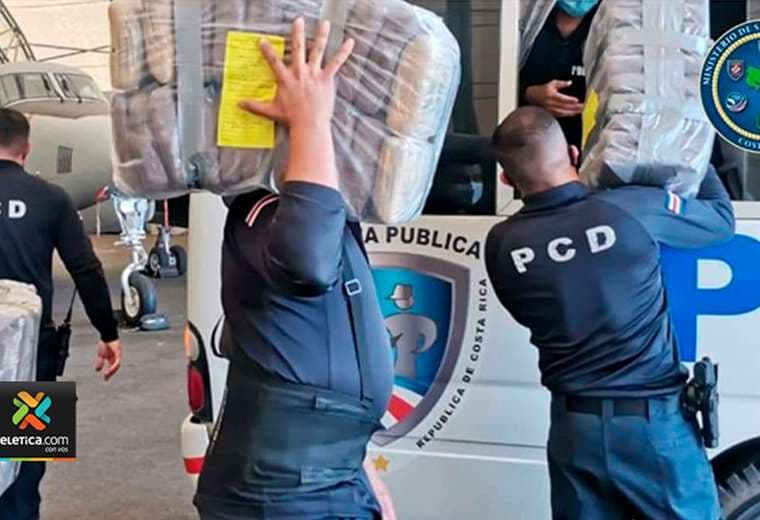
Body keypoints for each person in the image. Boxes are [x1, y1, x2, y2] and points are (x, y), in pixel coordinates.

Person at [485, 107, 734, 519]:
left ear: (507, 179)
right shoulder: (633, 209)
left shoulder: (502, 244)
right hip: (651, 426)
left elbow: (524, 312)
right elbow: (721, 220)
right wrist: (691, 146)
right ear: (573, 152)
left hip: (573, 431)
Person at [193, 19, 396, 520]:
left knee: (26, 449)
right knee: (25, 445)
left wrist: (360, 467)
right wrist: (309, 123)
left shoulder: (325, 216)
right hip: (282, 491)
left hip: (325, 476)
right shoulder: (264, 211)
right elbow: (308, 264)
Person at [0, 108, 122, 520]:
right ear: (26, 148)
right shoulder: (51, 198)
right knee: (27, 472)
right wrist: (108, 332)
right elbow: (85, 268)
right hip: (34, 355)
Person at [520, 0, 599, 150]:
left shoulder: (616, 22)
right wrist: (530, 94)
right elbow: (504, 79)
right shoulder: (530, 17)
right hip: (529, 147)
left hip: (592, 149)